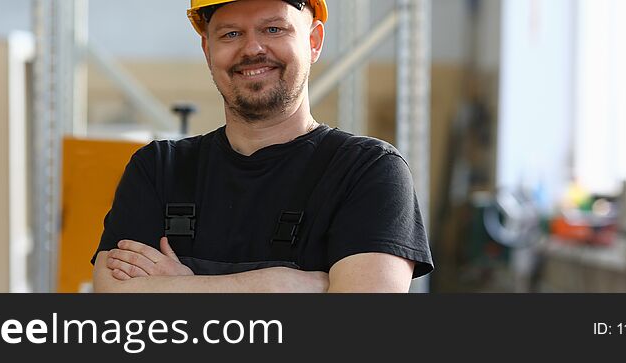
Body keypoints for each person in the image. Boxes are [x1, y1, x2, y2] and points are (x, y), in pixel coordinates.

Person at [92, 0, 433, 293]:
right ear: (208, 50)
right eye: (231, 34)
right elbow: (114, 303)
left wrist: (179, 287)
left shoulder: (368, 170)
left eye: (273, 29)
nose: (252, 48)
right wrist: (276, 285)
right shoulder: (158, 169)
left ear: (313, 42)